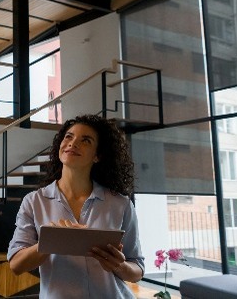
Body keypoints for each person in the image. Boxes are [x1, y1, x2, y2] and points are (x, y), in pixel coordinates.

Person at [8, 114, 144, 298]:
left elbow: (137, 270)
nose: (73, 143)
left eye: (85, 140)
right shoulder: (34, 202)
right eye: (69, 137)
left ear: (98, 155)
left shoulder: (121, 204)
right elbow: (16, 265)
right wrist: (52, 241)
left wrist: (120, 265)